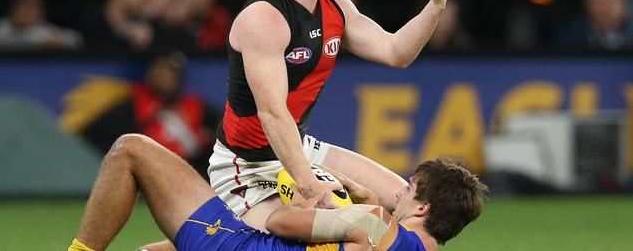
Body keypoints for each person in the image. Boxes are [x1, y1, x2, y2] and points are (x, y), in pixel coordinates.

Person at [144, 0, 458, 250]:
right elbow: (272, 114)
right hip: (247, 165)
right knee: (290, 236)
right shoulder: (265, 17)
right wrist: (310, 186)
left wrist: (436, 4)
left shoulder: (336, 6)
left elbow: (396, 52)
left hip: (299, 147)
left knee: (407, 202)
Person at [67, 134, 488, 251]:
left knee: (131, 150)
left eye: (409, 189)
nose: (399, 192)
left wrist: (304, 194)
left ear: (425, 205)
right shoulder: (383, 228)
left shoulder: (375, 225)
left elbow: (279, 222)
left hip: (240, 246)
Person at [60, 51, 220, 179]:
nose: (162, 75)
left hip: (189, 174)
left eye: (169, 72)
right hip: (143, 175)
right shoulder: (132, 103)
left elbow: (223, 130)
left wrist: (206, 142)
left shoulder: (195, 105)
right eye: (158, 69)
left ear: (179, 78)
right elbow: (98, 136)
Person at [555, 0, 633, 50]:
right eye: (598, 1)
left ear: (625, 4)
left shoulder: (630, 37)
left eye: (611, 1)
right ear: (585, 4)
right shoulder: (567, 42)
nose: (604, 8)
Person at [0, 0, 84, 50]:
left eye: (33, 8)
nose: (27, 12)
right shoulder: (1, 27)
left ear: (40, 13)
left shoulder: (43, 29)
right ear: (12, 9)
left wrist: (58, 42)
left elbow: (75, 39)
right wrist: (38, 44)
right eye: (24, 7)